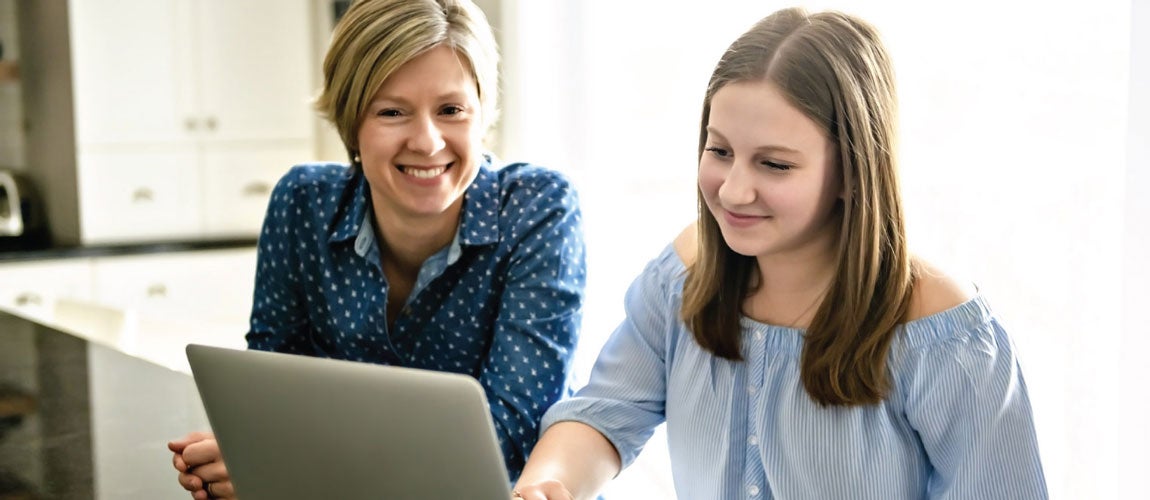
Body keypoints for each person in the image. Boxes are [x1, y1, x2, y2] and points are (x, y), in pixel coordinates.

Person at [513, 7, 1047, 500]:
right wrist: (546, 483)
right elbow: (605, 413)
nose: (732, 191)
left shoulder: (941, 329)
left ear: (852, 172)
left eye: (774, 165)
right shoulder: (684, 275)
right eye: (720, 151)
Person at [168, 0, 587, 498]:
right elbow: (271, 397)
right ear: (352, 124)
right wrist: (248, 456)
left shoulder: (538, 207)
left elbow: (509, 433)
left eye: (451, 110)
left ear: (482, 116)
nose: (428, 142)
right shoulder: (302, 203)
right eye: (392, 111)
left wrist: (292, 465)